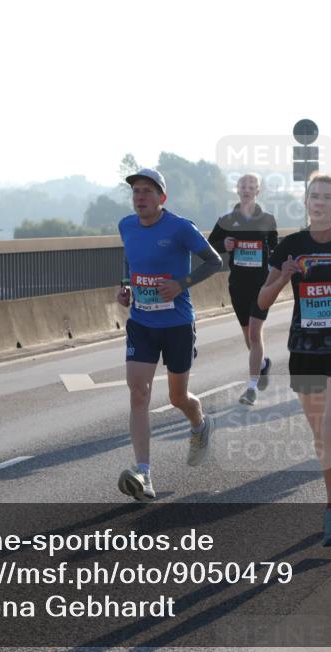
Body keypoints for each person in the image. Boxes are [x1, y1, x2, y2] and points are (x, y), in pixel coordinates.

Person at [258, 173, 331, 547]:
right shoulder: (290, 247)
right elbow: (261, 301)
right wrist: (283, 278)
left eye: (327, 197)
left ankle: (330, 513)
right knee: (321, 437)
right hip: (305, 352)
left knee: (328, 427)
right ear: (306, 203)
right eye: (314, 197)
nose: (320, 202)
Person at [116, 168, 223, 501]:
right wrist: (127, 289)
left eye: (147, 191)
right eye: (136, 192)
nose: (140, 197)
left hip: (176, 324)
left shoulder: (180, 228)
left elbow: (214, 261)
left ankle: (199, 423)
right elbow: (134, 262)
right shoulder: (126, 226)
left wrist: (181, 284)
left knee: (178, 397)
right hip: (141, 323)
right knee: (138, 392)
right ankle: (144, 474)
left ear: (162, 198)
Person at [208, 174, 278, 406]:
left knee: (256, 335)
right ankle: (263, 364)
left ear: (258, 191)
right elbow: (208, 248)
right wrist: (223, 245)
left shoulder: (268, 220)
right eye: (243, 186)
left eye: (251, 187)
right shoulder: (227, 220)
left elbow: (275, 251)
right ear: (237, 190)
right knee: (249, 337)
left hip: (261, 286)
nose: (246, 190)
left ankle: (251, 388)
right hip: (238, 285)